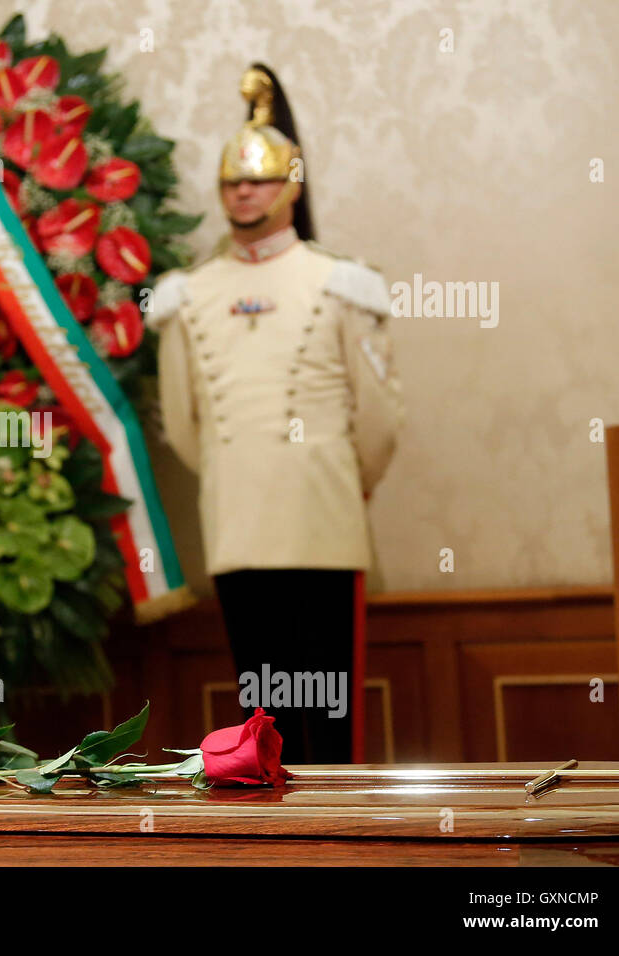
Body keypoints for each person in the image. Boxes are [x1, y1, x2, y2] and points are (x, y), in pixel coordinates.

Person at [149, 66, 404, 765]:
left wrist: (342, 481)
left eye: (259, 180)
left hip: (326, 521)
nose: (244, 193)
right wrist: (246, 471)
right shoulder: (187, 295)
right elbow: (183, 426)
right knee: (265, 716)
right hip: (238, 524)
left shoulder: (343, 283)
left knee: (329, 713)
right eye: (233, 182)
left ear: (292, 185)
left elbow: (378, 421)